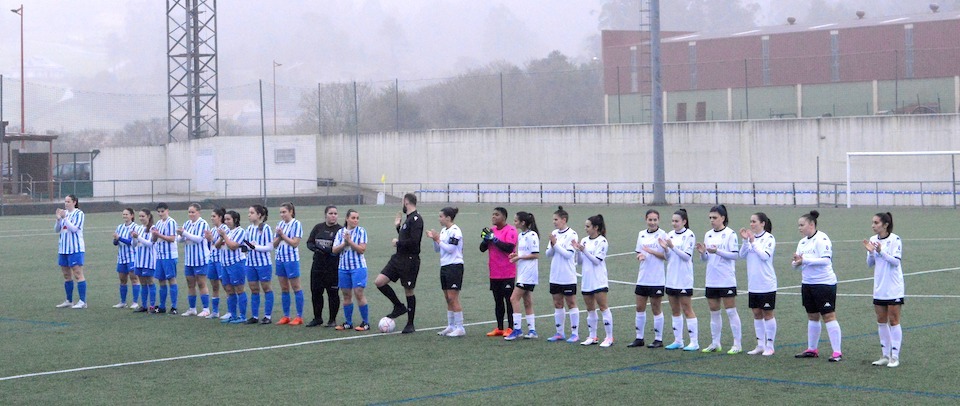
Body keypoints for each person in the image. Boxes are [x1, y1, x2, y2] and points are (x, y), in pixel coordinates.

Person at [792, 210, 844, 362]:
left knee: (828, 315)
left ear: (811, 224)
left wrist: (805, 260)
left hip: (824, 283)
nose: (799, 228)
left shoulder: (822, 239)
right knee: (812, 316)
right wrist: (796, 262)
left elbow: (826, 260)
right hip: (807, 283)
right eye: (798, 225)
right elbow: (798, 263)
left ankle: (837, 352)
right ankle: (812, 349)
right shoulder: (802, 242)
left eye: (802, 225)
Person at [696, 204, 743, 354]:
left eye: (714, 217)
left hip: (726, 279)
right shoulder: (708, 234)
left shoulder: (730, 234)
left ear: (723, 218)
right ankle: (715, 343)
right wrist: (703, 253)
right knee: (714, 311)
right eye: (710, 217)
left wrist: (717, 251)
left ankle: (737, 344)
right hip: (711, 279)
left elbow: (735, 255)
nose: (712, 220)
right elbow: (706, 259)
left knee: (730, 311)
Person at [375, 193, 424, 334]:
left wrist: (398, 242)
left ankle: (410, 324)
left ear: (406, 202)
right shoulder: (408, 219)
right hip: (398, 258)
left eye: (402, 202)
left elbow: (415, 243)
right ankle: (398, 306)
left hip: (409, 260)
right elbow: (406, 237)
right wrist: (398, 227)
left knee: (408, 290)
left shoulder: (416, 219)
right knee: (379, 282)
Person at [864, 212, 904, 368]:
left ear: (885, 225)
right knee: (881, 320)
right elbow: (869, 264)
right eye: (872, 222)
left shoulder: (895, 239)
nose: (873, 225)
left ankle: (895, 356)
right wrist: (871, 252)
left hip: (893, 287)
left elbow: (895, 262)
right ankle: (885, 355)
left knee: (893, 320)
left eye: (876, 223)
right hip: (879, 287)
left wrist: (881, 251)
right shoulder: (873, 240)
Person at [658, 208, 699, 351]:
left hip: (684, 278)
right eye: (673, 221)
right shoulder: (669, 235)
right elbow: (669, 257)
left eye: (677, 221)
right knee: (675, 310)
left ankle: (694, 342)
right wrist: (666, 249)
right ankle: (678, 340)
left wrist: (672, 247)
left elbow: (687, 256)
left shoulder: (689, 235)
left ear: (684, 222)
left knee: (687, 308)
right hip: (671, 277)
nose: (674, 223)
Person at [738, 212, 778, 356]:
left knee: (768, 314)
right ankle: (760, 345)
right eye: (750, 221)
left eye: (754, 221)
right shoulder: (750, 240)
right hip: (753, 283)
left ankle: (770, 345)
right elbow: (741, 255)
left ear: (762, 223)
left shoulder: (769, 238)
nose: (751, 224)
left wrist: (753, 242)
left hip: (766, 283)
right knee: (756, 313)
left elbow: (764, 256)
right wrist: (745, 241)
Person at [572, 214, 614, 348]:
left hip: (599, 280)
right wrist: (578, 251)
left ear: (596, 227)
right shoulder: (584, 240)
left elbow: (596, 261)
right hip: (587, 280)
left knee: (603, 307)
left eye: (588, 226)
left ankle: (609, 337)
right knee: (590, 309)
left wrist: (584, 250)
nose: (585, 229)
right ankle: (592, 336)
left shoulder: (602, 241)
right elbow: (578, 262)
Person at [630, 209, 668, 348]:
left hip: (656, 278)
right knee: (639, 307)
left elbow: (666, 256)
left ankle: (658, 339)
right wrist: (640, 256)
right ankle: (639, 338)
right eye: (650, 219)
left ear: (658, 220)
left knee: (656, 307)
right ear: (646, 220)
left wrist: (651, 251)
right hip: (643, 277)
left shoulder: (663, 235)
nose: (652, 222)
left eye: (655, 220)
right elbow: (639, 251)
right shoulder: (641, 234)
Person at [480, 207, 518, 337]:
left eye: (496, 215)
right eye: (493, 215)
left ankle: (511, 328)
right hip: (494, 272)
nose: (493, 217)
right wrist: (486, 240)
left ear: (503, 217)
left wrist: (494, 240)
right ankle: (500, 327)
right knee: (498, 301)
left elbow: (509, 248)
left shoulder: (511, 230)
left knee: (509, 301)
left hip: (507, 272)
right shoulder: (492, 230)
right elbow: (482, 249)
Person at [428, 207, 466, 337]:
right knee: (447, 298)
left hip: (454, 266)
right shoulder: (444, 230)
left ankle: (460, 327)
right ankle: (451, 326)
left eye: (441, 216)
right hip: (444, 266)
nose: (439, 219)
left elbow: (450, 249)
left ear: (448, 218)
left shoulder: (456, 231)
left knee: (453, 297)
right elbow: (438, 250)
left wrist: (438, 240)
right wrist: (435, 240)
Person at [545, 206, 580, 343]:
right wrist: (553, 245)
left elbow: (568, 255)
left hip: (568, 275)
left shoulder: (572, 234)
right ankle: (559, 333)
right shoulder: (554, 233)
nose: (554, 222)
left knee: (571, 302)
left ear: (564, 220)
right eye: (553, 219)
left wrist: (556, 245)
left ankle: (575, 333)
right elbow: (548, 254)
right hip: (555, 275)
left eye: (556, 219)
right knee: (557, 303)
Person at [332, 209, 371, 331]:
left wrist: (350, 242)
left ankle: (365, 323)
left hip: (358, 267)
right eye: (353, 218)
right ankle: (348, 322)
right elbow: (334, 250)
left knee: (359, 293)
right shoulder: (340, 232)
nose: (355, 220)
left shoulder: (361, 231)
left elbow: (361, 249)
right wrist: (344, 243)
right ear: (347, 219)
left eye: (357, 218)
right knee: (346, 295)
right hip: (343, 268)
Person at [505, 211, 540, 340]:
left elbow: (535, 254)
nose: (514, 223)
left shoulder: (532, 235)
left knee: (513, 298)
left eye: (516, 221)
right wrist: (516, 256)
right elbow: (524, 253)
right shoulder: (521, 235)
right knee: (527, 301)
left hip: (528, 273)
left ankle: (517, 329)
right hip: (522, 272)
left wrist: (519, 257)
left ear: (523, 222)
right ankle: (532, 330)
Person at [305, 205, 342, 327]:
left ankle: (332, 320)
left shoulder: (340, 230)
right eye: (331, 213)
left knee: (332, 293)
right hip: (317, 266)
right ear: (325, 214)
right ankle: (317, 318)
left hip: (332, 267)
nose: (333, 216)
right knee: (316, 292)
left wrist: (326, 249)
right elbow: (309, 242)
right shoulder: (318, 227)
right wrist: (316, 248)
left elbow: (337, 249)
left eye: (335, 213)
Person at [177, 203, 212, 317]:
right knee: (190, 284)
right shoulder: (187, 223)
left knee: (201, 283)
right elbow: (179, 240)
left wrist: (185, 233)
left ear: (198, 212)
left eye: (193, 212)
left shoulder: (203, 224)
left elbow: (198, 239)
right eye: (189, 212)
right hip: (189, 260)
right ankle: (192, 308)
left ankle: (206, 309)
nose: (191, 214)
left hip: (200, 259)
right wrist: (182, 235)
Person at [274, 202, 305, 326]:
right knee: (284, 288)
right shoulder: (280, 224)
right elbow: (274, 244)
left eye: (284, 212)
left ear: (291, 211)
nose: (282, 215)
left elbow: (294, 243)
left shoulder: (296, 224)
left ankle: (299, 316)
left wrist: (282, 235)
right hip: (279, 258)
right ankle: (286, 316)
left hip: (291, 259)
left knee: (296, 287)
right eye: (281, 212)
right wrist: (278, 237)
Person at [55, 194, 88, 309]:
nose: (66, 203)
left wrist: (64, 218)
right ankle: (69, 300)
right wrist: (58, 219)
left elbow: (74, 229)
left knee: (78, 274)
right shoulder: (64, 213)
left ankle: (83, 301)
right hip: (63, 248)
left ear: (74, 202)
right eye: (65, 201)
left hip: (75, 249)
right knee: (66, 275)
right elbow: (56, 230)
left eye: (68, 201)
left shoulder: (79, 214)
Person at [244, 204, 275, 324]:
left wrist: (254, 246)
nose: (249, 215)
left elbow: (269, 247)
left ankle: (267, 316)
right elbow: (247, 245)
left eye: (252, 213)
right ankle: (255, 316)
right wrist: (245, 247)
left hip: (263, 264)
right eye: (249, 212)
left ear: (259, 215)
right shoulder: (249, 228)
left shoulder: (265, 228)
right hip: (250, 263)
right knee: (254, 289)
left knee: (266, 288)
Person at [217, 210, 249, 324]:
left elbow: (233, 246)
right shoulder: (226, 231)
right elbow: (216, 246)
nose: (226, 222)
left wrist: (224, 236)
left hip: (236, 263)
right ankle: (233, 314)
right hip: (224, 264)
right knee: (229, 290)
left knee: (239, 289)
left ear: (235, 220)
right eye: (224, 219)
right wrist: (221, 237)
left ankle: (243, 316)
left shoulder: (240, 231)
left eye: (228, 219)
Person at [151, 202, 179, 314]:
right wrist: (154, 234)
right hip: (160, 255)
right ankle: (162, 306)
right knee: (161, 280)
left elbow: (172, 238)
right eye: (159, 211)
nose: (160, 213)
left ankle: (174, 307)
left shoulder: (171, 222)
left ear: (167, 211)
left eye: (162, 211)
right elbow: (154, 240)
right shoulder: (158, 223)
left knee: (171, 279)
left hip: (169, 255)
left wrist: (159, 235)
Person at [112, 208, 141, 309]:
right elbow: (115, 243)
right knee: (122, 279)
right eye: (123, 214)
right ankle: (123, 302)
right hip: (121, 257)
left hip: (132, 257)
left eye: (127, 214)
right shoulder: (119, 227)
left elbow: (130, 242)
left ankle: (135, 302)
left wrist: (119, 238)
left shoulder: (135, 227)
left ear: (132, 216)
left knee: (134, 279)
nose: (125, 216)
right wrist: (115, 239)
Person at [204, 208, 229, 319]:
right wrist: (209, 239)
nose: (212, 218)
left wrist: (211, 239)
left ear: (220, 217)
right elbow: (212, 246)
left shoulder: (224, 228)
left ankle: (230, 311)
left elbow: (220, 244)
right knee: (214, 286)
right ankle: (215, 311)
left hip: (221, 261)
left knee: (226, 286)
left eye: (214, 216)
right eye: (211, 216)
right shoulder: (213, 229)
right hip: (212, 260)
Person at [131, 209, 157, 313]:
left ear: (149, 216)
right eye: (140, 216)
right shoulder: (138, 228)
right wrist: (134, 238)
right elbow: (134, 244)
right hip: (139, 260)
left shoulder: (153, 228)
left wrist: (138, 237)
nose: (141, 218)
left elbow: (150, 244)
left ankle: (152, 306)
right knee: (142, 283)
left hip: (148, 260)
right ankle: (144, 305)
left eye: (143, 216)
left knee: (150, 281)